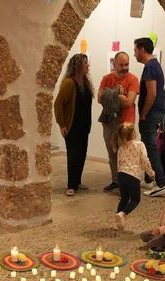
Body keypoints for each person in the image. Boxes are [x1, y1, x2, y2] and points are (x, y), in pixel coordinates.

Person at [98, 52, 139, 192]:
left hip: (126, 124)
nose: (124, 67)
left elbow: (129, 102)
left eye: (127, 64)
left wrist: (113, 94)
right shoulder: (106, 78)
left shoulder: (133, 79)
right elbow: (100, 98)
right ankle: (116, 180)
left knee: (126, 156)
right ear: (114, 64)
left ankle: (126, 187)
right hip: (109, 122)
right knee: (112, 153)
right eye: (121, 65)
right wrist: (117, 93)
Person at [54, 53, 93, 196]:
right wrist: (62, 124)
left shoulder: (86, 82)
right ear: (78, 66)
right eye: (85, 63)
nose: (88, 65)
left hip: (84, 125)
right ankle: (71, 185)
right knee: (73, 154)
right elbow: (58, 104)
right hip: (72, 126)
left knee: (82, 153)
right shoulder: (69, 83)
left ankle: (77, 181)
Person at [133, 37, 165, 197]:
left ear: (142, 49)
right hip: (156, 113)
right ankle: (149, 179)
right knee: (148, 148)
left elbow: (152, 93)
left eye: (135, 50)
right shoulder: (155, 65)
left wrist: (144, 113)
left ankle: (160, 183)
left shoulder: (150, 67)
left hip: (151, 114)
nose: (134, 54)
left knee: (151, 149)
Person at [113, 122, 155, 230]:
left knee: (124, 198)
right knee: (135, 200)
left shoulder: (121, 148)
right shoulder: (140, 145)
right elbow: (145, 161)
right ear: (134, 132)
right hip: (133, 175)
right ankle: (123, 214)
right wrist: (151, 173)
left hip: (121, 174)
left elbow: (118, 163)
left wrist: (118, 176)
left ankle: (118, 222)